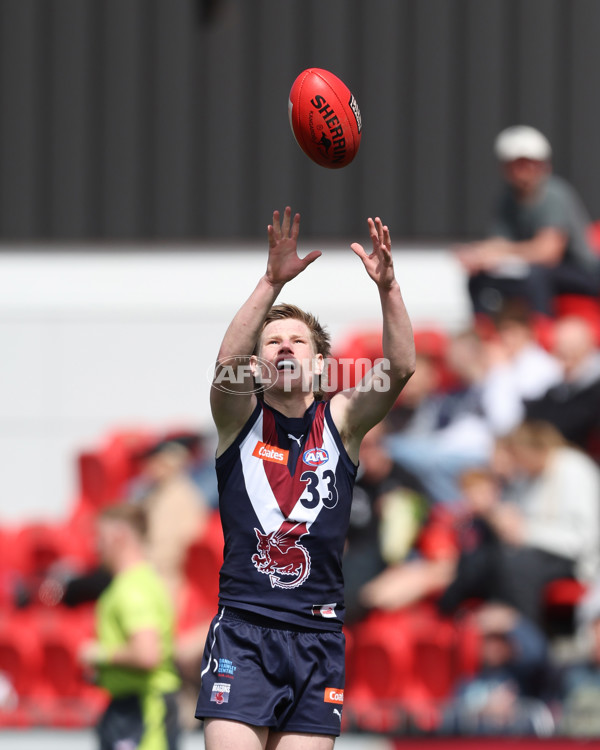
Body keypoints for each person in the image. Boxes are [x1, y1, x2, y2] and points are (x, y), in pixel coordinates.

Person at [194, 207, 415, 749]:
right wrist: (271, 283)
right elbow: (225, 362)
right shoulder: (238, 420)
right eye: (273, 342)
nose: (286, 347)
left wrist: (389, 288)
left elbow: (401, 366)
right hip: (245, 628)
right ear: (257, 365)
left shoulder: (341, 422)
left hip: (318, 636)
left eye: (298, 342)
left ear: (321, 365)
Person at [455, 125, 600, 318]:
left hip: (582, 272)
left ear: (544, 166)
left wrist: (499, 254)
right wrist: (478, 254)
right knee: (479, 278)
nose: (524, 171)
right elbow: (500, 242)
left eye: (530, 163)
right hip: (536, 268)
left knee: (536, 276)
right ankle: (485, 332)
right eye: (518, 164)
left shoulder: (554, 195)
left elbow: (549, 253)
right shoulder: (507, 200)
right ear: (506, 167)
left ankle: (540, 334)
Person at [78, 504, 181, 750]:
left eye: (100, 537)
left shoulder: (132, 588)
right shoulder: (141, 581)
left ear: (119, 537)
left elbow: (147, 653)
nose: (94, 546)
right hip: (135, 705)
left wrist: (98, 653)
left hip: (143, 708)